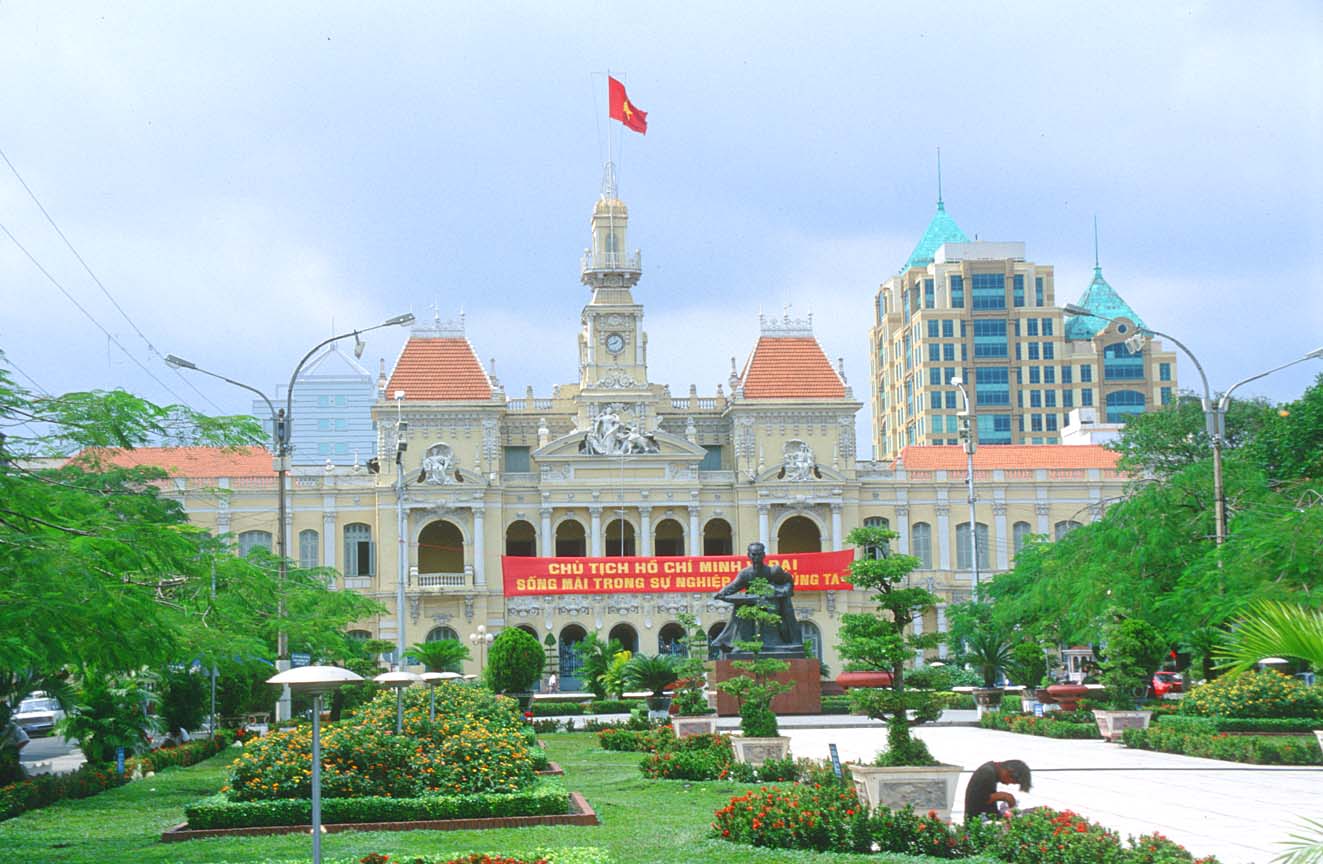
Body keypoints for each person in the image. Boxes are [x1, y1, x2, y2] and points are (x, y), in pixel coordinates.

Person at [710, 542, 801, 655]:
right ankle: (743, 643)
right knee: (741, 609)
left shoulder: (772, 571)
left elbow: (789, 583)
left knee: (772, 609)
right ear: (748, 555)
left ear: (764, 555)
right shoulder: (745, 573)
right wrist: (722, 593)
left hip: (771, 602)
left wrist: (777, 591)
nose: (756, 557)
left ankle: (775, 642)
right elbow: (732, 587)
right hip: (751, 604)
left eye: (758, 554)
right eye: (753, 554)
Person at [964, 759, 1032, 821]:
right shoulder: (987, 772)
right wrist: (1003, 796)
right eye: (1011, 782)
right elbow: (978, 801)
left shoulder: (991, 771)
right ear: (1008, 772)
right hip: (976, 822)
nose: (1007, 784)